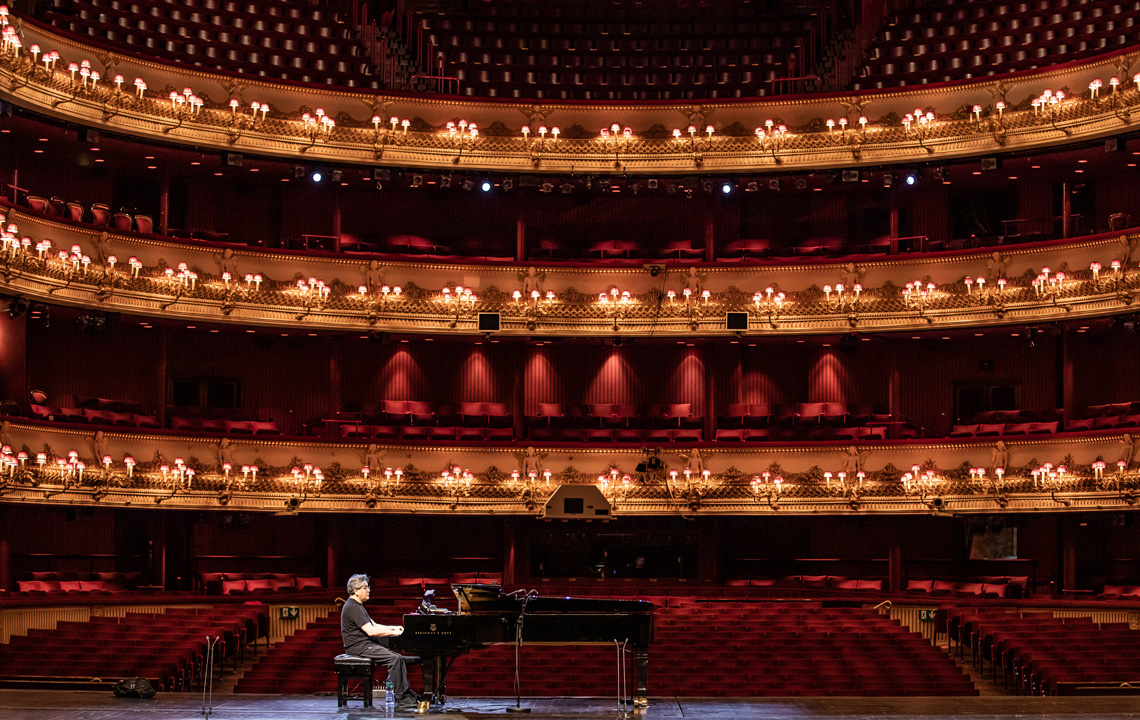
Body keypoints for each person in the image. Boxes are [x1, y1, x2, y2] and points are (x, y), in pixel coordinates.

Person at [341, 574, 418, 707]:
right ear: (355, 590)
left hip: (364, 644)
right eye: (365, 587)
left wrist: (395, 629)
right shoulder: (353, 607)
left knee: (398, 657)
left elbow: (374, 625)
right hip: (359, 646)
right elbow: (371, 631)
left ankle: (405, 693)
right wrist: (392, 631)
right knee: (395, 659)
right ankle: (402, 698)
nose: (369, 590)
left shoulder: (357, 605)